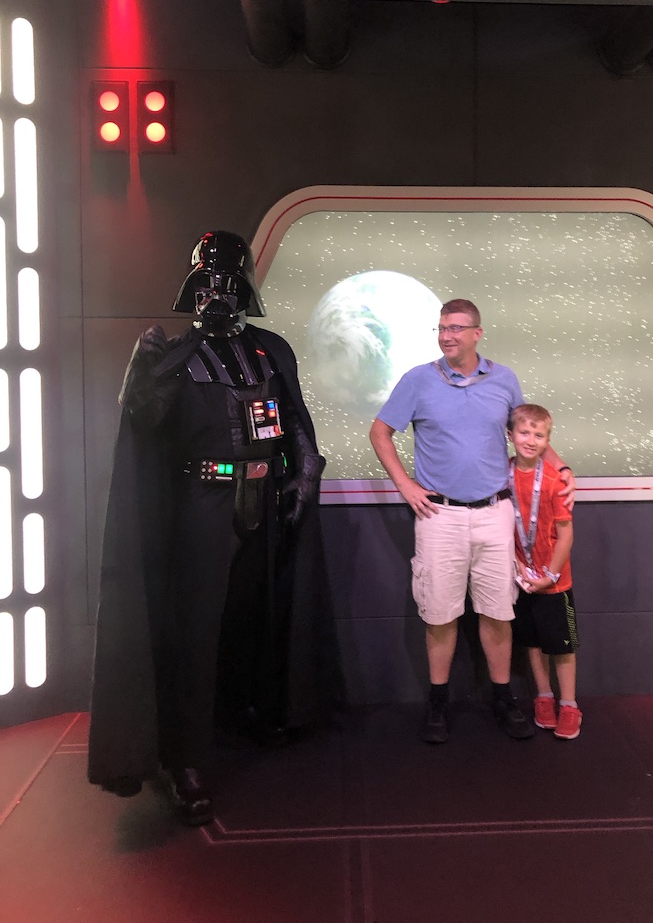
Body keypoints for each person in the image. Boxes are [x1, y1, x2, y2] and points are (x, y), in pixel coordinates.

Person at [88, 230, 342, 825]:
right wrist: (141, 377)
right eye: (206, 285)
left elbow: (293, 418)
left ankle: (257, 708)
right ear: (192, 289)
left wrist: (306, 470)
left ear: (245, 287)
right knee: (195, 633)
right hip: (202, 504)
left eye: (227, 284)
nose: (216, 296)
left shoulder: (270, 351)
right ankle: (185, 757)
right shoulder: (176, 358)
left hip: (266, 500)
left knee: (258, 616)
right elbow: (145, 422)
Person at [369, 298, 575, 744]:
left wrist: (560, 469)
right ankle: (438, 702)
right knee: (440, 614)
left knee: (498, 612)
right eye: (442, 328)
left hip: (495, 514)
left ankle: (503, 699)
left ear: (477, 334)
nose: (447, 336)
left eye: (456, 328)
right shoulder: (418, 379)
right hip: (438, 515)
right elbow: (380, 432)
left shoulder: (504, 379)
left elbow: (529, 433)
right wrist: (405, 485)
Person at [507, 403, 581, 739]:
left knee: (562, 646)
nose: (530, 440)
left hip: (555, 582)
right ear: (511, 435)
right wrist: (519, 568)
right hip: (523, 578)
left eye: (539, 435)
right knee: (532, 642)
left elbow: (566, 536)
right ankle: (544, 696)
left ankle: (569, 704)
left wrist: (550, 575)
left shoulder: (554, 481)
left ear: (548, 441)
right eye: (524, 432)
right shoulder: (501, 476)